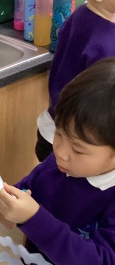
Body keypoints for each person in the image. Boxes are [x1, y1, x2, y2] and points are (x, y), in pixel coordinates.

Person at [0, 58, 115, 265]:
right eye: (59, 134)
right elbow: (27, 189)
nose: (60, 151)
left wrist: (33, 218)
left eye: (78, 149)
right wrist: (6, 208)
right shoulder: (58, 164)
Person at [35, 0, 115, 162]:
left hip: (51, 128)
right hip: (73, 147)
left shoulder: (80, 15)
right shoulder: (104, 45)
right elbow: (104, 102)